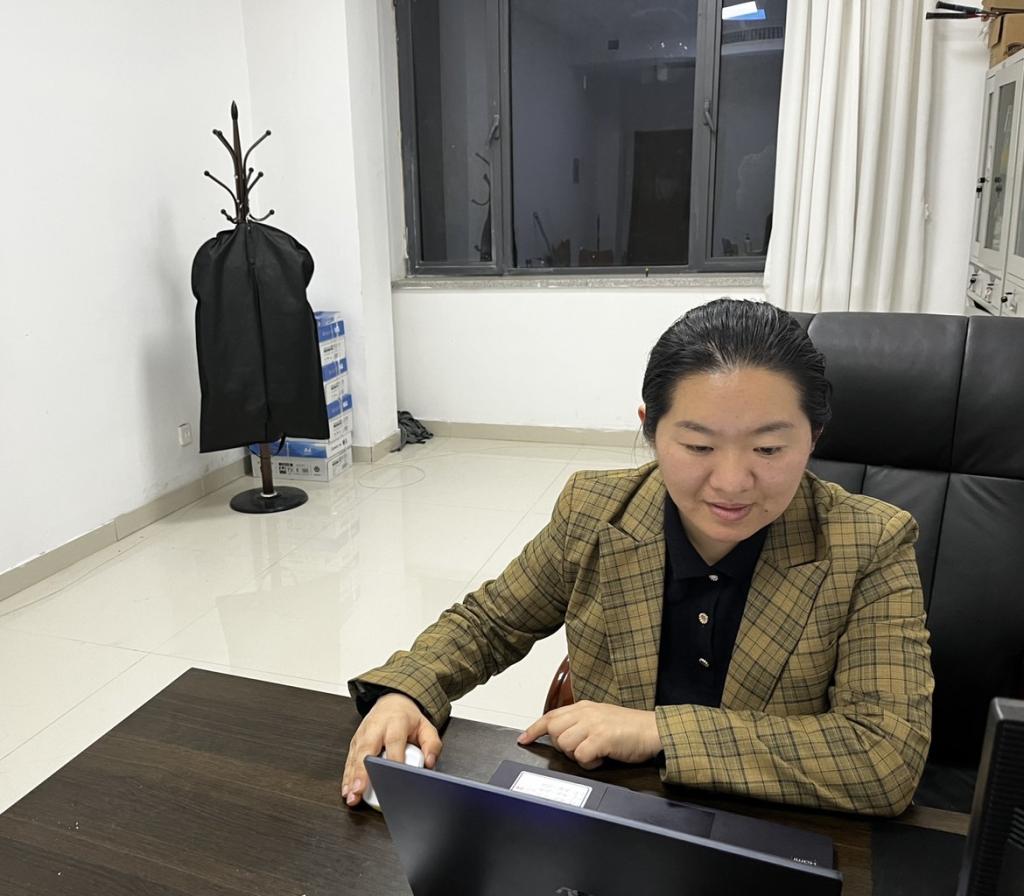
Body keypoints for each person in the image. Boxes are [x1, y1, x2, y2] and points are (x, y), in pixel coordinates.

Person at [341, 299, 934, 817]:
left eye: (769, 448)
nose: (731, 482)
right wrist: (408, 692)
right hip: (614, 813)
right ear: (650, 430)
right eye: (698, 445)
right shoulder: (596, 511)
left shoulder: (870, 544)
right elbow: (490, 623)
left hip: (776, 826)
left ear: (814, 437)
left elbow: (884, 759)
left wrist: (659, 731)